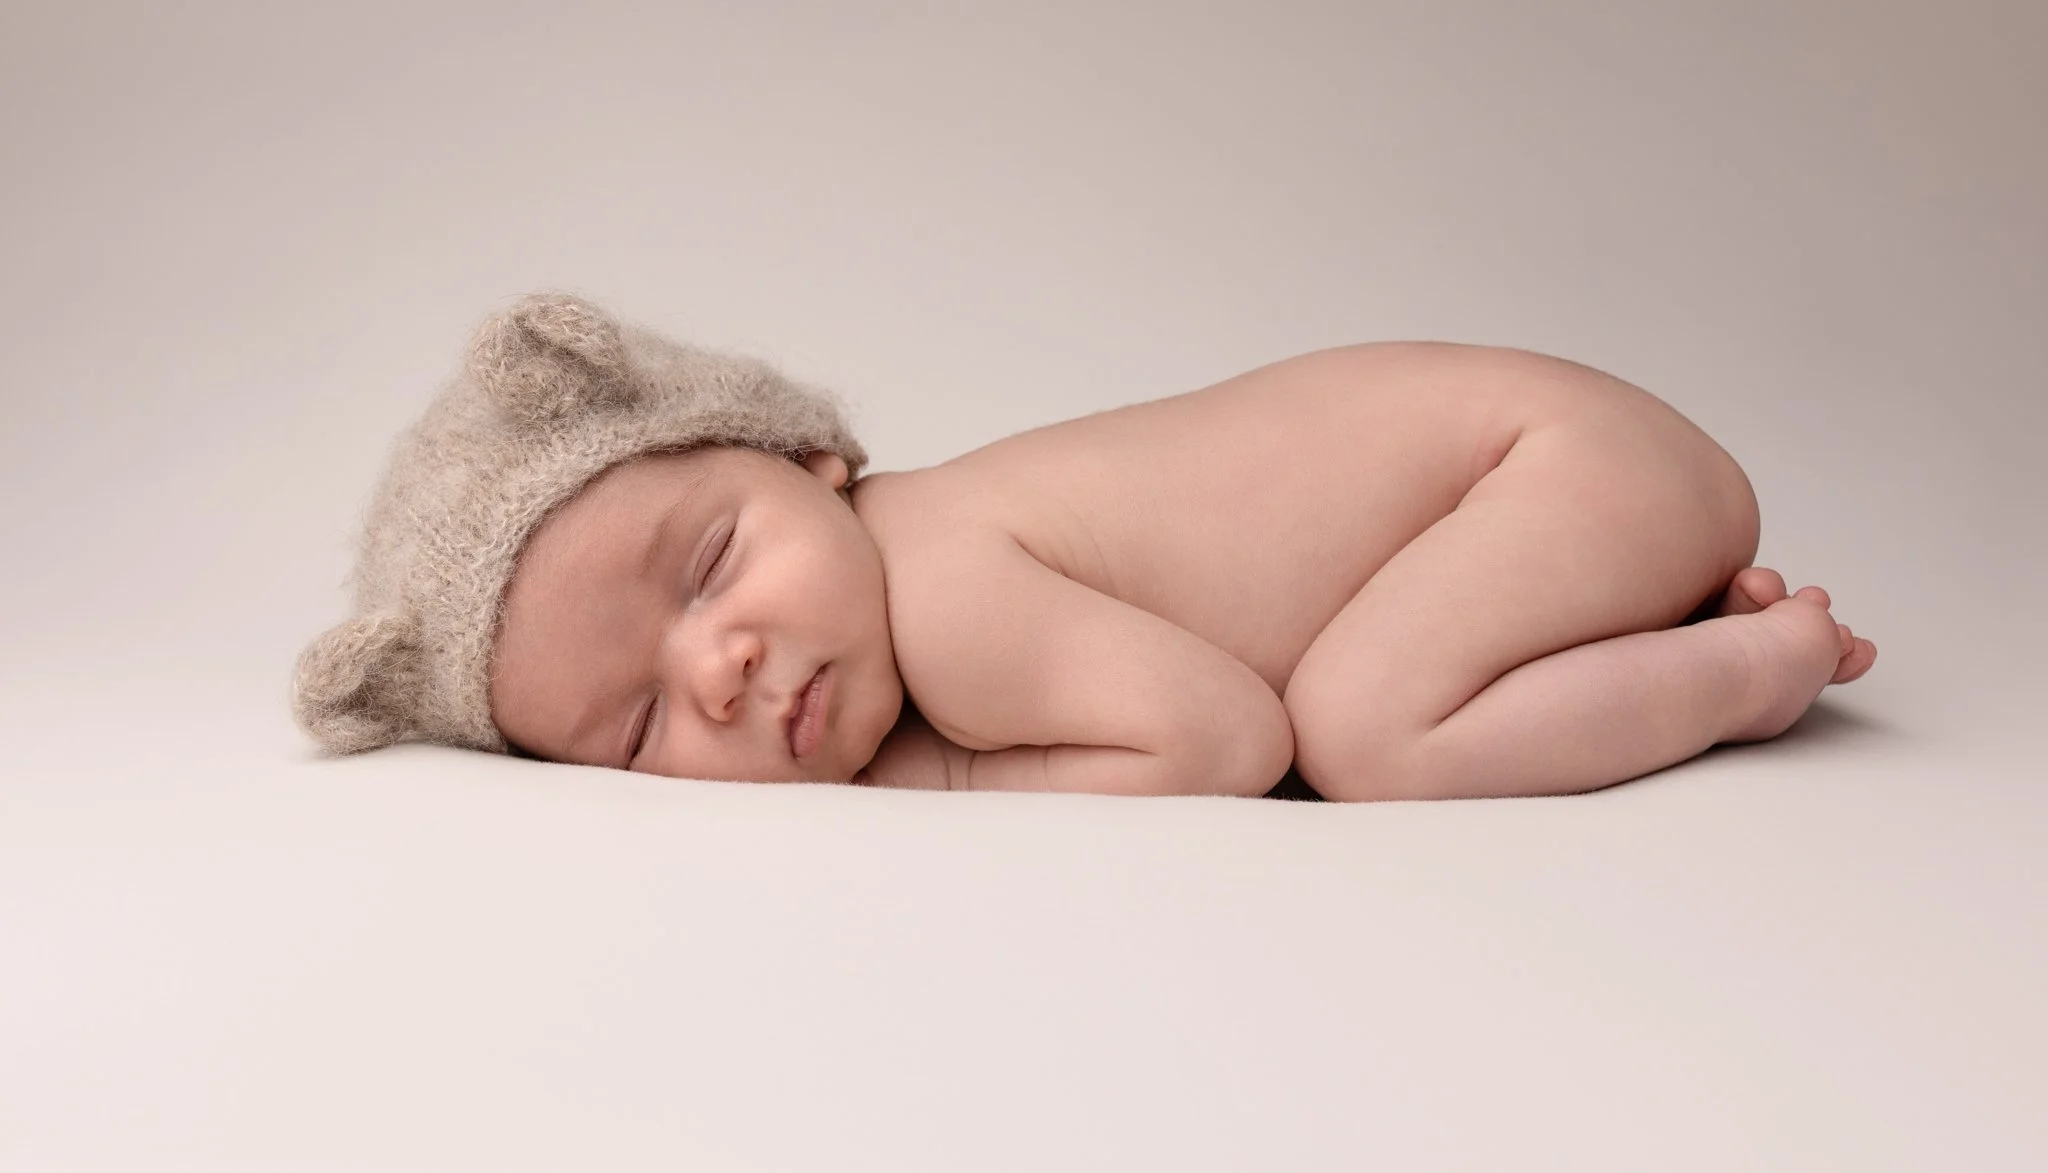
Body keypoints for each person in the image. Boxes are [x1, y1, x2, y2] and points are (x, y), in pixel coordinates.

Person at [293, 292, 1875, 801]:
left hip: (1548, 464)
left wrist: (967, 781)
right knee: (1394, 672)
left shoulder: (957, 596)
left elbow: (1232, 742)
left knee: (1366, 737)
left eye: (709, 569)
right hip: (1556, 475)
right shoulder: (903, 583)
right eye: (636, 725)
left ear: (817, 463)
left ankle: (1747, 667)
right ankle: (1639, 624)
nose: (719, 671)